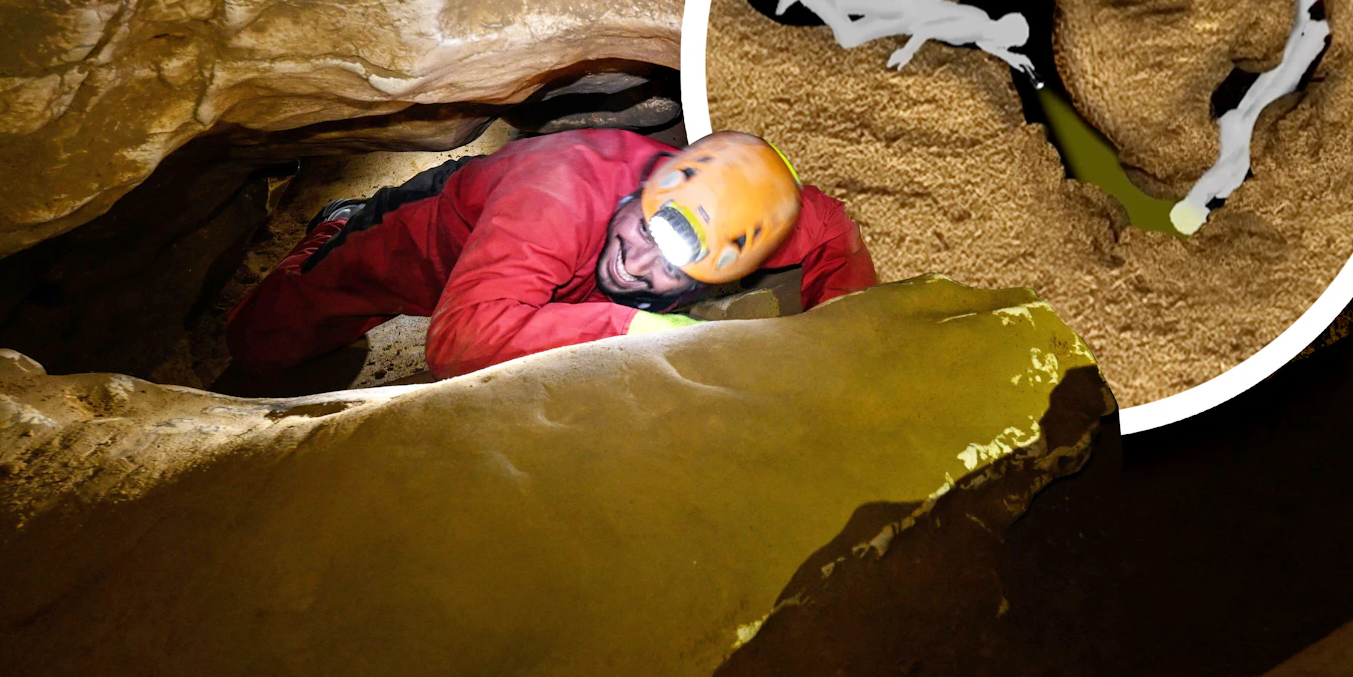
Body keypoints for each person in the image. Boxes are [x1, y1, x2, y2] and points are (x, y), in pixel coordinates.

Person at [226, 129, 876, 381]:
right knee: (260, 344)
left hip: (546, 277)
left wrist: (847, 346)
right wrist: (629, 323)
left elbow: (832, 231)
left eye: (677, 266)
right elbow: (456, 341)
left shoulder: (756, 214)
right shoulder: (558, 192)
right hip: (423, 245)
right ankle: (336, 225)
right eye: (650, 228)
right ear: (652, 183)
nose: (639, 264)